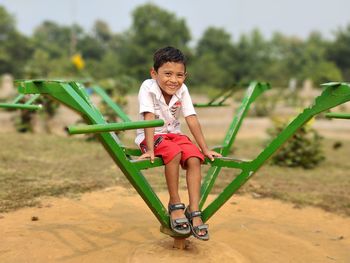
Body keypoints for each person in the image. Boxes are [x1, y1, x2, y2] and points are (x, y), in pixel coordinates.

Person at [135, 46, 221, 241]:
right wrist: (150, 149)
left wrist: (205, 148)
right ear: (154, 72)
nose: (173, 80)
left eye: (179, 75)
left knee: (194, 157)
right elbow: (148, 117)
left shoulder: (182, 90)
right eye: (167, 74)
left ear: (185, 76)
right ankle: (175, 205)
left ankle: (194, 210)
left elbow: (191, 117)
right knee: (173, 152)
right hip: (152, 135)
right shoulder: (147, 87)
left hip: (173, 133)